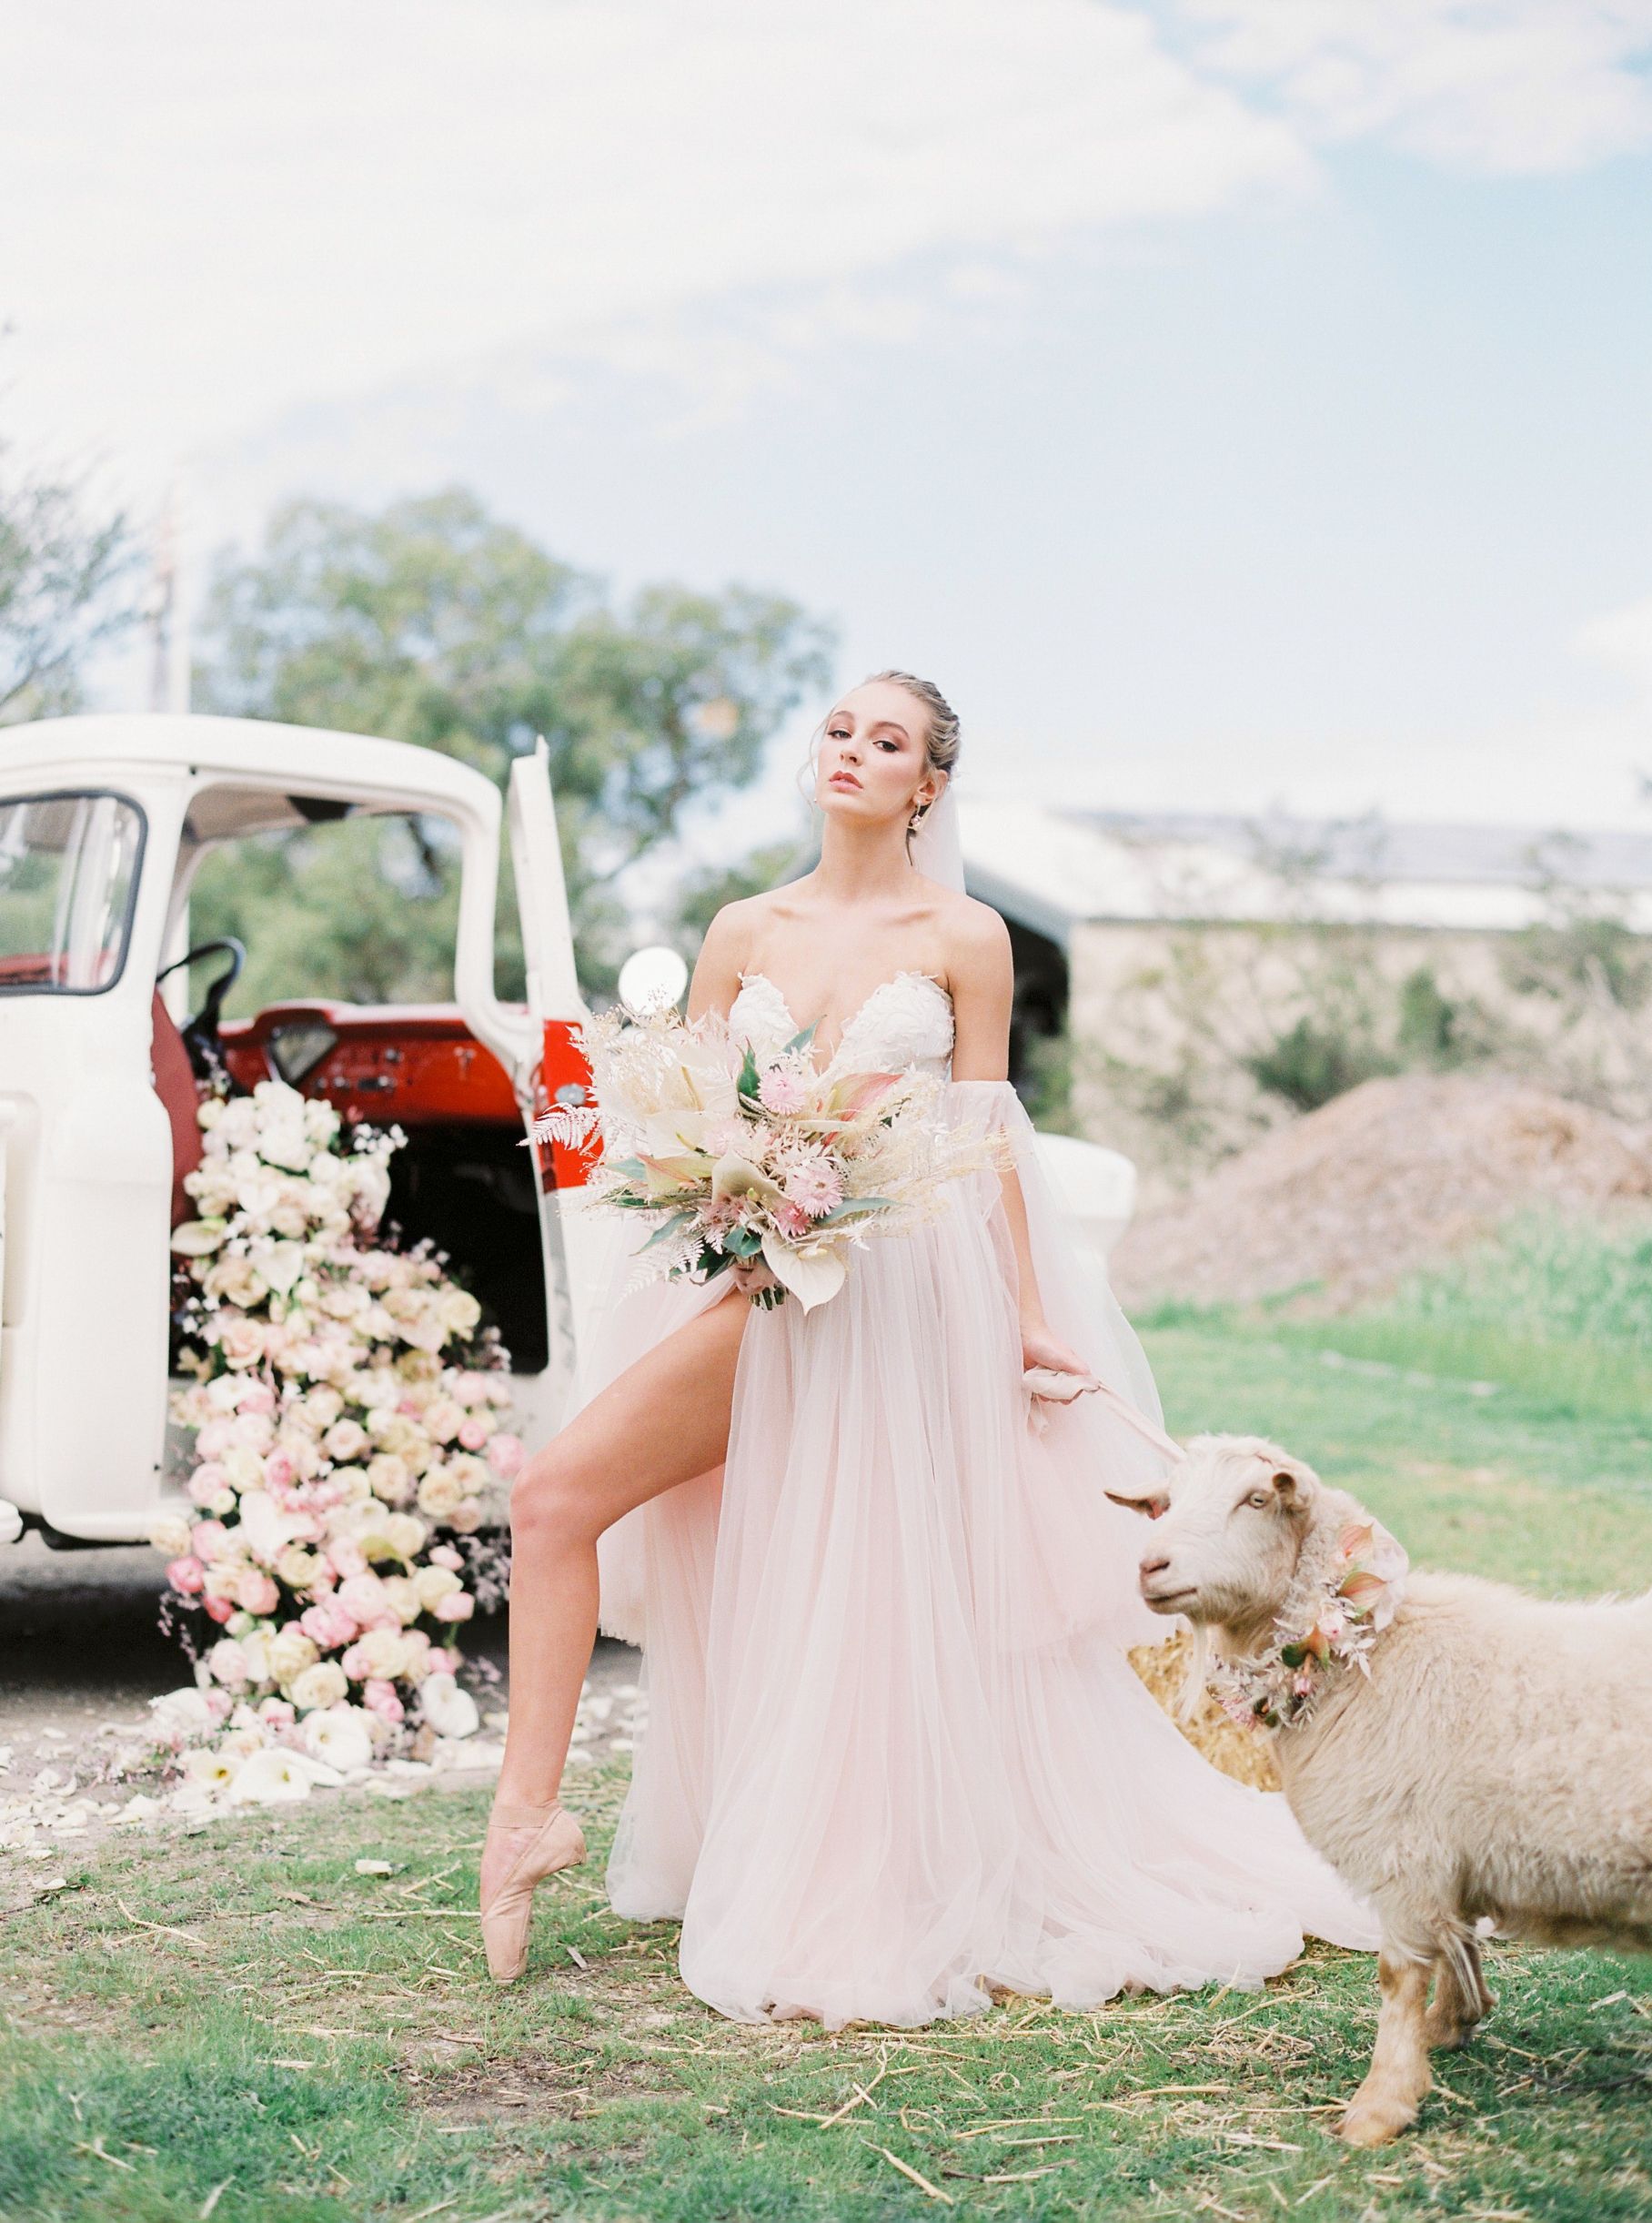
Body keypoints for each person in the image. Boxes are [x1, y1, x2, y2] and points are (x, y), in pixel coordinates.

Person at [478, 669, 1381, 2026]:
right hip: (751, 1286)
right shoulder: (744, 925)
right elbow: (676, 1115)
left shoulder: (965, 935)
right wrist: (714, 1190)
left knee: (851, 1582)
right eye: (839, 730)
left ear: (929, 784)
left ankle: (857, 1860)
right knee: (556, 1499)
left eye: (885, 740)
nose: (851, 751)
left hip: (902, 1296)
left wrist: (1023, 1319)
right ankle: (527, 1819)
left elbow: (986, 1143)